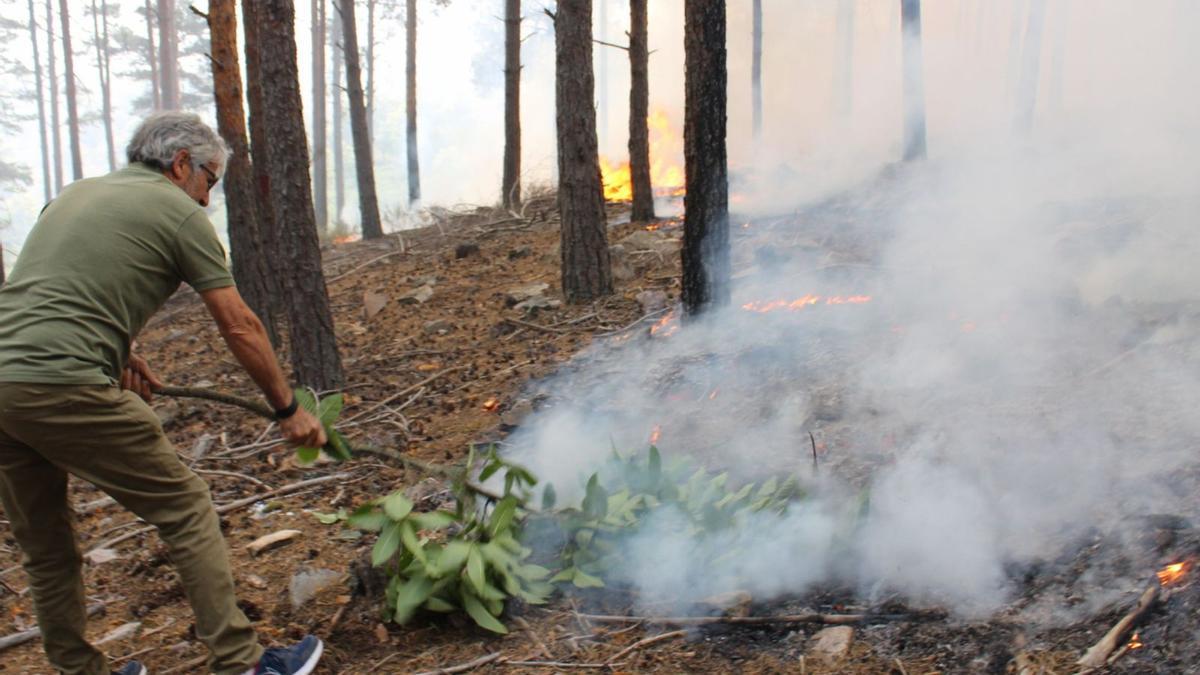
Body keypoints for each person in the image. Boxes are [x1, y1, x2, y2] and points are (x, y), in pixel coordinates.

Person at [0, 112, 328, 675]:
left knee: (46, 546)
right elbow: (239, 324)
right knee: (185, 508)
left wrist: (119, 353)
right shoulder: (178, 211)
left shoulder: (76, 194)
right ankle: (242, 663)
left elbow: (50, 290)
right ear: (182, 165)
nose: (206, 200)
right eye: (211, 181)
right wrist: (288, 409)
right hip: (64, 381)